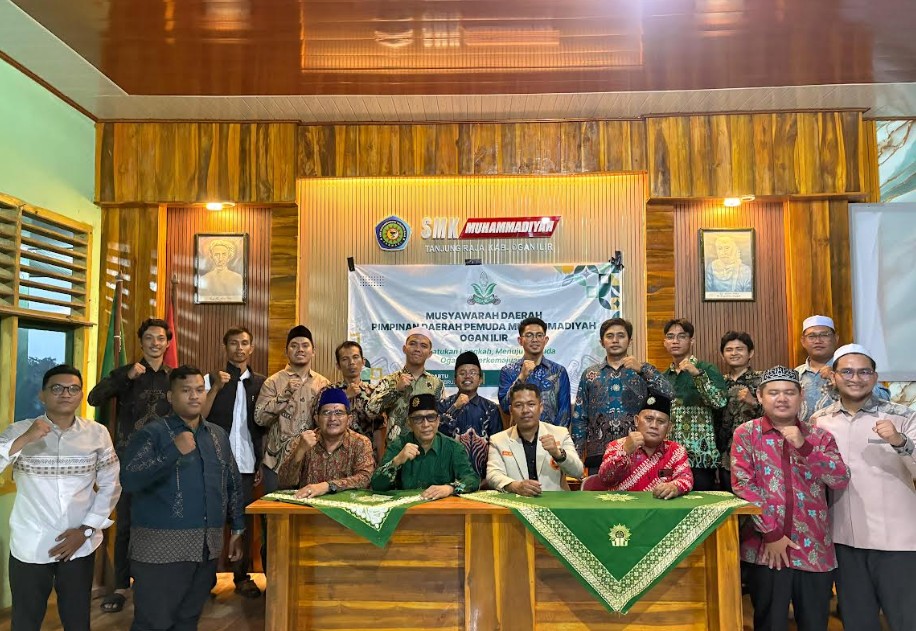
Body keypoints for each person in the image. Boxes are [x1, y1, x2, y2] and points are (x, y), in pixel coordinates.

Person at [121, 365, 245, 631]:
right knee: (153, 623)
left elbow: (232, 482)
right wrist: (172, 452)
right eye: (186, 390)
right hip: (160, 551)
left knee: (188, 621)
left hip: (206, 548)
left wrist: (237, 528)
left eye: (199, 390)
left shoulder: (217, 435)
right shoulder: (152, 433)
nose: (194, 396)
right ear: (170, 397)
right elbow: (129, 479)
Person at [0, 365, 120, 631]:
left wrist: (86, 530)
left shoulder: (97, 433)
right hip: (31, 543)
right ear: (42, 395)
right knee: (25, 621)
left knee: (77, 620)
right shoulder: (19, 430)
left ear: (80, 395)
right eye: (57, 388)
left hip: (78, 544)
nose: (66, 393)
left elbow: (111, 485)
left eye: (73, 389)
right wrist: (26, 438)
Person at [730, 365, 849, 631]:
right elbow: (743, 485)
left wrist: (805, 447)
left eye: (789, 392)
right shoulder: (746, 434)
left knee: (814, 622)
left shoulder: (819, 436)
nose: (781, 398)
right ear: (760, 396)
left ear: (801, 395)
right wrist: (771, 533)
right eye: (773, 393)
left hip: (813, 547)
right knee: (770, 623)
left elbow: (840, 478)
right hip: (767, 550)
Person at [811, 344, 916, 631]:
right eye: (847, 372)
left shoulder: (902, 416)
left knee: (907, 620)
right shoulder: (821, 421)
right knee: (857, 622)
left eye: (864, 372)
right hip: (846, 540)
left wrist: (899, 442)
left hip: (898, 541)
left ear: (875, 376)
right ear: (833, 377)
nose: (855, 378)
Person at [87, 317, 173, 613]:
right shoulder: (128, 373)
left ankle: (157, 582)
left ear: (167, 343)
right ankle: (122, 586)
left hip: (164, 462)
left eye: (160, 338)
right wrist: (126, 376)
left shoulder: (174, 377)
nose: (155, 343)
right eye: (149, 338)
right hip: (129, 462)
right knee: (125, 525)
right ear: (141, 341)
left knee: (162, 523)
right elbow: (94, 397)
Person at [199, 326, 265, 599]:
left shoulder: (261, 383)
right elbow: (200, 416)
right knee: (211, 521)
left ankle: (242, 576)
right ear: (225, 347)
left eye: (244, 343)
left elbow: (264, 425)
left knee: (243, 521)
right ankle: (205, 580)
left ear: (251, 348)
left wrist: (261, 461)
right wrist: (215, 387)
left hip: (247, 463)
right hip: (214, 463)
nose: (239, 348)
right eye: (234, 343)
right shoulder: (209, 379)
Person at [571, 318, 673, 470]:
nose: (615, 340)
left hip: (637, 451)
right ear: (602, 342)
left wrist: (643, 370)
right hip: (598, 453)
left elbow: (669, 393)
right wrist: (576, 457)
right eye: (610, 336)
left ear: (630, 341)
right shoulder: (590, 374)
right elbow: (580, 417)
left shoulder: (643, 370)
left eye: (621, 336)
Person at [255, 325, 330, 493]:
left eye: (305, 345)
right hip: (277, 462)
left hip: (313, 463)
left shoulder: (323, 384)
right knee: (276, 508)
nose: (300, 349)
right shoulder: (273, 382)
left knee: (309, 509)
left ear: (313, 351)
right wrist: (284, 395)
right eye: (294, 345)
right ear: (286, 351)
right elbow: (260, 419)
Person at [662, 318, 728, 491]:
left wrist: (697, 374)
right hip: (670, 458)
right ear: (665, 342)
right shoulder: (664, 376)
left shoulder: (707, 369)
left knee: (701, 504)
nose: (675, 341)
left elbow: (720, 402)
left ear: (692, 341)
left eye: (681, 336)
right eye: (670, 337)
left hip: (700, 458)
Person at [371, 393, 479, 498]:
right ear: (409, 423)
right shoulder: (399, 445)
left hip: (441, 507)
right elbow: (376, 485)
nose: (426, 424)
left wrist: (450, 488)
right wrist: (396, 462)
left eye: (431, 417)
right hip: (406, 508)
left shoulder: (453, 447)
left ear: (438, 421)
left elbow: (472, 480)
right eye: (418, 419)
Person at [276, 387, 375, 498]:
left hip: (346, 506)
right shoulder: (303, 441)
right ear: (317, 419)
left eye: (339, 413)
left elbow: (365, 478)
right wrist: (300, 451)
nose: (332, 418)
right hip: (308, 505)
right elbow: (283, 483)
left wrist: (327, 486)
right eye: (326, 413)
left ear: (349, 419)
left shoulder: (360, 442)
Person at [486, 383, 583, 494]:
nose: (525, 410)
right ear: (511, 410)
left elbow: (578, 472)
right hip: (517, 502)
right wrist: (515, 486)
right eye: (518, 405)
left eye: (531, 404)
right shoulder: (498, 440)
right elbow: (493, 475)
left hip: (555, 502)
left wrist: (558, 454)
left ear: (541, 407)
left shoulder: (560, 434)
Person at [595, 393, 692, 497]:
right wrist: (624, 451)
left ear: (669, 428)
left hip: (661, 506)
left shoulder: (676, 451)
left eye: (661, 421)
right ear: (636, 421)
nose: (654, 426)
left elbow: (686, 478)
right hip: (624, 506)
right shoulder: (616, 446)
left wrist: (675, 487)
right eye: (649, 419)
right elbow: (604, 479)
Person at [795, 315, 889, 423]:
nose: (818, 340)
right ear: (803, 341)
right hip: (802, 433)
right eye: (812, 336)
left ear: (835, 338)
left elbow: (884, 398)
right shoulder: (795, 374)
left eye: (824, 335)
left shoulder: (854, 369)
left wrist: (842, 377)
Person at [367, 327, 445, 442]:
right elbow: (370, 411)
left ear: (429, 353)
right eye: (413, 344)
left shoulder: (436, 384)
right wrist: (395, 390)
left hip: (426, 449)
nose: (417, 349)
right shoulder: (390, 380)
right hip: (396, 449)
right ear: (404, 349)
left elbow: (440, 420)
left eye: (423, 346)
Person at [437, 351, 502, 478]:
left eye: (472, 372)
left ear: (481, 379)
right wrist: (455, 408)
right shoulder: (443, 405)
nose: (467, 376)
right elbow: (437, 437)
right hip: (448, 477)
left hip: (482, 478)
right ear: (455, 380)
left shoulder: (491, 408)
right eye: (462, 373)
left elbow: (497, 444)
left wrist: (490, 478)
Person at [498, 316, 571, 427]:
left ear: (545, 340)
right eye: (529, 335)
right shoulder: (508, 371)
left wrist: (556, 435)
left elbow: (564, 412)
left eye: (539, 335)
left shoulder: (558, 371)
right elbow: (505, 406)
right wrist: (521, 377)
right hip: (519, 435)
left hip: (551, 435)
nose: (535, 339)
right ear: (520, 341)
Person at [718, 331, 763, 491]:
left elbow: (777, 415)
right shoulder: (719, 382)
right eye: (729, 349)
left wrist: (755, 403)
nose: (734, 353)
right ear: (722, 355)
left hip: (756, 453)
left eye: (739, 349)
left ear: (750, 353)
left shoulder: (763, 381)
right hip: (725, 456)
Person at [330, 341, 383, 459]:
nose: (351, 363)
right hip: (336, 457)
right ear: (338, 365)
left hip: (367, 457)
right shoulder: (330, 391)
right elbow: (322, 422)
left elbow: (379, 430)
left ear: (363, 362)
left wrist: (381, 461)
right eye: (345, 359)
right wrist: (345, 396)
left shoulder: (374, 393)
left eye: (355, 357)